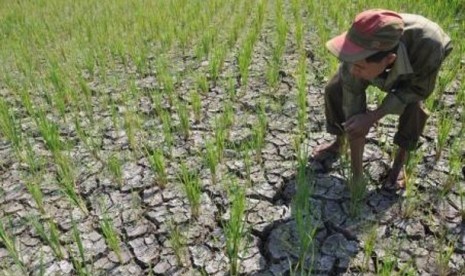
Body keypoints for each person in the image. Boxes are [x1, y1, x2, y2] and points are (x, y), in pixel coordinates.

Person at [313, 9, 453, 190]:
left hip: (420, 55)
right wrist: (357, 177)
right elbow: (354, 114)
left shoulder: (428, 48)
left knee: (412, 107)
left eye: (359, 67)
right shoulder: (358, 53)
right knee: (334, 87)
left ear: (389, 60)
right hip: (382, 52)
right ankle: (339, 142)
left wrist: (373, 117)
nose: (353, 70)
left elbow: (418, 90)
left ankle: (399, 163)